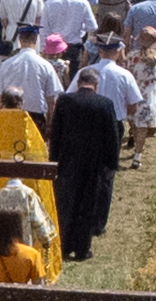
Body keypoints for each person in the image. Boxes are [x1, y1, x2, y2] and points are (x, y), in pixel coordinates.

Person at [50, 58, 123, 263]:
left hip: (68, 161)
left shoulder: (64, 101)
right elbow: (112, 136)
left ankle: (63, 245)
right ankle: (82, 248)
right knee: (87, 204)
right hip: (94, 164)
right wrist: (112, 163)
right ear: (96, 84)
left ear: (79, 81)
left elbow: (56, 132)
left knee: (65, 203)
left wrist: (53, 159)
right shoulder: (104, 104)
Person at [0, 24, 63, 119]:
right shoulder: (46, 66)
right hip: (35, 117)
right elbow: (51, 99)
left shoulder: (6, 65)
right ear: (36, 40)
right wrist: (50, 122)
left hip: (9, 116)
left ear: (20, 40)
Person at [122, 26, 156, 167]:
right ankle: (138, 154)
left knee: (134, 122)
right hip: (148, 91)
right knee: (142, 125)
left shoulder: (131, 56)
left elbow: (126, 73)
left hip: (134, 90)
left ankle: (134, 140)